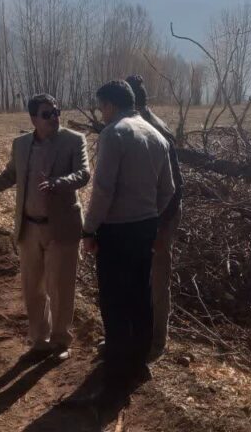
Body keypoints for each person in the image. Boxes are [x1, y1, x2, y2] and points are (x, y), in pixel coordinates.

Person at [0, 94, 90, 362]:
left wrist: (58, 183)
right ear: (34, 119)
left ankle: (61, 341)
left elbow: (83, 174)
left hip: (61, 228)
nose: (54, 117)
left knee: (60, 289)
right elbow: (7, 177)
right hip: (29, 229)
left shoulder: (74, 140)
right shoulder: (21, 144)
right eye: (47, 114)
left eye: (56, 111)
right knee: (32, 288)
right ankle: (40, 340)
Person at [82, 80, 174, 404]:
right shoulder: (157, 136)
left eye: (101, 107)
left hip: (117, 231)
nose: (101, 114)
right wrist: (150, 215)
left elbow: (103, 189)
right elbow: (168, 189)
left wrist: (89, 229)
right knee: (140, 297)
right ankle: (137, 365)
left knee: (114, 302)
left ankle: (116, 378)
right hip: (145, 227)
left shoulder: (114, 134)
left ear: (110, 104)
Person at [125, 75, 183, 361]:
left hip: (160, 217)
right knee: (135, 277)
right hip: (139, 216)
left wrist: (160, 229)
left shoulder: (155, 131)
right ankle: (133, 335)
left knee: (157, 279)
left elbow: (175, 188)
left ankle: (157, 341)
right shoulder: (131, 127)